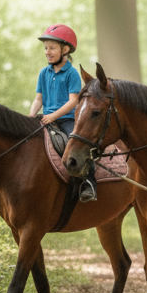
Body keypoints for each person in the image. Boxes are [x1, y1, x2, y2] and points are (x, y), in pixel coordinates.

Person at [31, 24, 96, 202]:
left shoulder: (72, 74)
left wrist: (53, 116)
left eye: (52, 48)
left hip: (66, 119)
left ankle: (88, 182)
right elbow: (38, 99)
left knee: (75, 145)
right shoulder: (44, 73)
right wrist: (30, 116)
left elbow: (73, 101)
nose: (47, 51)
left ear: (65, 49)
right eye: (45, 48)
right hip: (46, 118)